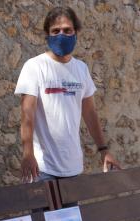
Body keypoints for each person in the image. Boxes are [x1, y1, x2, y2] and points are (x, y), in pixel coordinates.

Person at [15, 6, 121, 183]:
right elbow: (27, 114)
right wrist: (28, 154)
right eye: (55, 31)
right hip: (42, 168)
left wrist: (104, 150)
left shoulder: (81, 69)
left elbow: (90, 113)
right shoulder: (34, 67)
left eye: (67, 30)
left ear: (75, 33)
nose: (61, 35)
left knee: (71, 213)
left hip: (73, 168)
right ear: (47, 35)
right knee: (44, 212)